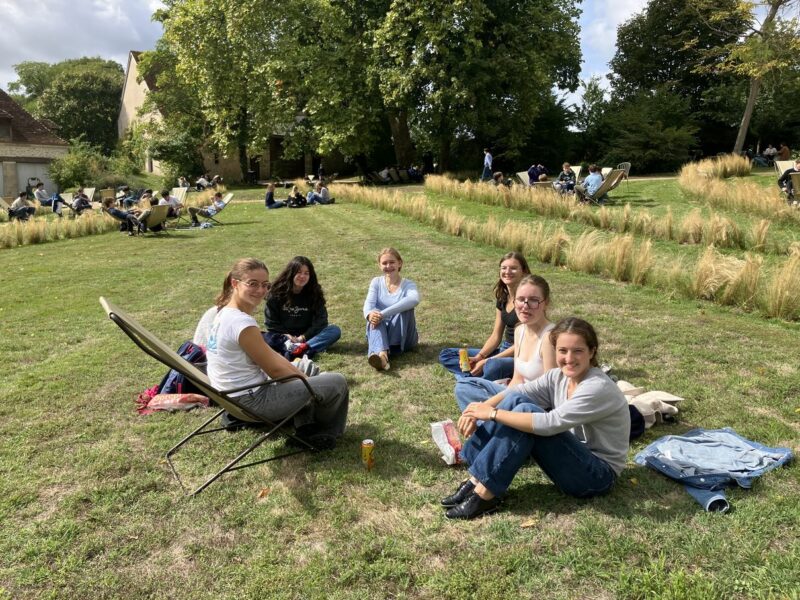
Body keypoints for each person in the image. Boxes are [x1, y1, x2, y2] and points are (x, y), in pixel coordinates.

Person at [441, 317, 630, 519]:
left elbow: (550, 424)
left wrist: (493, 414)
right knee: (516, 401)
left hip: (597, 475)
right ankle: (475, 479)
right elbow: (518, 391)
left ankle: (485, 494)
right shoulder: (558, 376)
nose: (569, 358)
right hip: (573, 455)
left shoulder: (596, 387)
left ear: (592, 352)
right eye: (562, 350)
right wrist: (480, 408)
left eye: (578, 351)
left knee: (526, 412)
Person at [206, 258, 349, 448]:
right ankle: (322, 432)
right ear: (235, 283)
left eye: (265, 285)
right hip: (253, 401)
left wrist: (302, 375)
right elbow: (276, 371)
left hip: (234, 396)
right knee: (336, 382)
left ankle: (305, 425)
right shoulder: (241, 323)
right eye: (252, 283)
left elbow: (272, 357)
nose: (260, 290)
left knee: (303, 366)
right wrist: (307, 383)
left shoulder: (224, 314)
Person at [454, 274, 556, 411]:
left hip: (534, 406)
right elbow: (517, 380)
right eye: (520, 299)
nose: (525, 306)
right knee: (463, 387)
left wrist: (492, 404)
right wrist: (503, 397)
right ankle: (489, 417)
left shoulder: (550, 337)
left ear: (546, 303)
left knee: (515, 405)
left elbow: (550, 390)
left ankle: (487, 418)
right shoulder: (520, 331)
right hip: (515, 396)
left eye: (533, 300)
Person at [439, 252, 531, 381]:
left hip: (518, 354)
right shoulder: (503, 298)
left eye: (513, 268)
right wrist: (480, 357)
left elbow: (523, 344)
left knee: (493, 366)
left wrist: (487, 361)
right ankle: (476, 377)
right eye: (504, 268)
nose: (507, 272)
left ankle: (471, 379)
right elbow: (496, 335)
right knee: (447, 354)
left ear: (524, 272)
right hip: (503, 349)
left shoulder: (527, 302)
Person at [263, 256, 342, 359]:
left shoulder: (314, 293)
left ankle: (298, 349)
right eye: (299, 272)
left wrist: (303, 337)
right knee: (262, 337)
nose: (302, 276)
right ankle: (301, 350)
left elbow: (321, 321)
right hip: (284, 336)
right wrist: (286, 335)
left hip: (307, 337)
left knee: (334, 330)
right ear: (291, 273)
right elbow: (271, 322)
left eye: (306, 273)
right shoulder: (276, 293)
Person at [363, 247, 420, 371]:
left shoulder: (409, 285)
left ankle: (380, 351)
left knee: (405, 308)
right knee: (373, 315)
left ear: (400, 263)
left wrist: (382, 314)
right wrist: (371, 315)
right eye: (384, 263)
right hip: (381, 332)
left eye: (392, 262)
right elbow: (368, 305)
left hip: (404, 336)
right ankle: (383, 357)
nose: (388, 266)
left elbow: (414, 300)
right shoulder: (376, 282)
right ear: (379, 265)